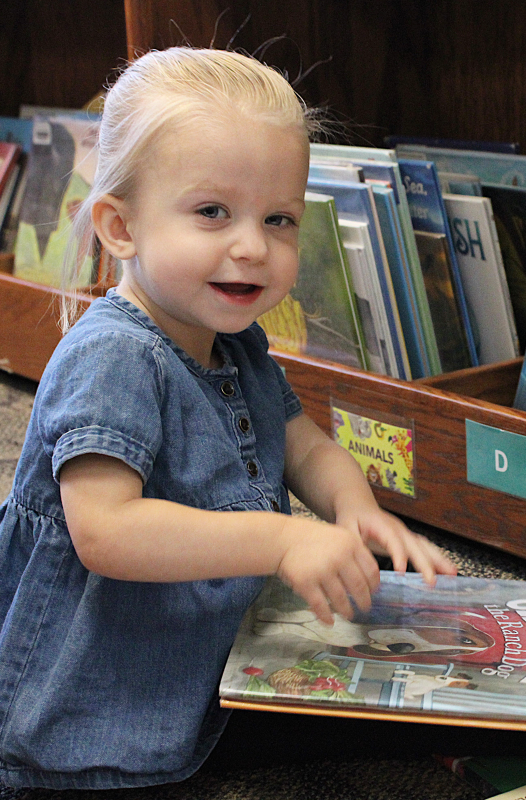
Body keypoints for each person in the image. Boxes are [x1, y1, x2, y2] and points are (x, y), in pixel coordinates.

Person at [0, 47, 458, 789]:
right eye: (212, 212)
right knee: (362, 710)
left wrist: (354, 508)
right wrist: (280, 538)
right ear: (120, 228)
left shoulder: (235, 344)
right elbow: (105, 532)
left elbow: (305, 446)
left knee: (385, 645)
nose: (252, 247)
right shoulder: (114, 356)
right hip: (95, 712)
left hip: (210, 651)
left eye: (278, 218)